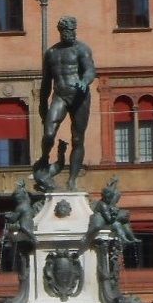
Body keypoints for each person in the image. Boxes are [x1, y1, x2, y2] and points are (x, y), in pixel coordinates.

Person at [33, 15, 97, 191]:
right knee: (48, 133)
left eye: (73, 30)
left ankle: (72, 180)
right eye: (67, 30)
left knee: (77, 138)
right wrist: (42, 104)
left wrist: (84, 81)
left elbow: (90, 70)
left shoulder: (82, 49)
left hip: (79, 97)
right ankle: (44, 159)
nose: (71, 33)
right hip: (60, 95)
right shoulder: (51, 53)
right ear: (61, 31)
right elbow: (46, 81)